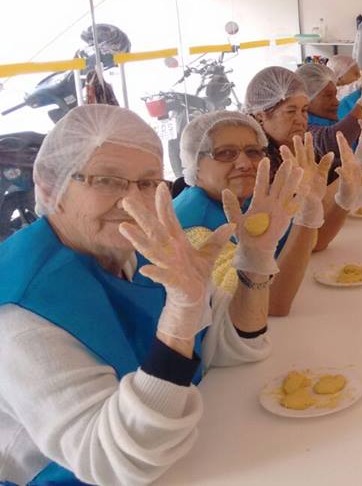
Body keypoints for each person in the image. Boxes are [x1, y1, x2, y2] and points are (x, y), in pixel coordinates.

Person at [0, 104, 293, 484]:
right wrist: (180, 318)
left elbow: (229, 343)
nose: (130, 201)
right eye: (106, 180)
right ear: (49, 187)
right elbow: (112, 462)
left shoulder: (139, 246)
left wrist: (255, 257)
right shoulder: (19, 313)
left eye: (147, 183)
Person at [174, 111, 362, 317]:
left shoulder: (247, 198)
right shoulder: (191, 229)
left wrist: (340, 200)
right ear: (194, 164)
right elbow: (268, 305)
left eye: (252, 152)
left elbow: (313, 243)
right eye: (225, 153)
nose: (244, 164)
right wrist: (306, 218)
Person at [244, 67, 362, 254]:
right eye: (290, 111)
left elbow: (315, 238)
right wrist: (360, 165)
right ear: (260, 117)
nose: (300, 120)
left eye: (304, 110)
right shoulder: (258, 164)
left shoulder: (298, 146)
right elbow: (299, 242)